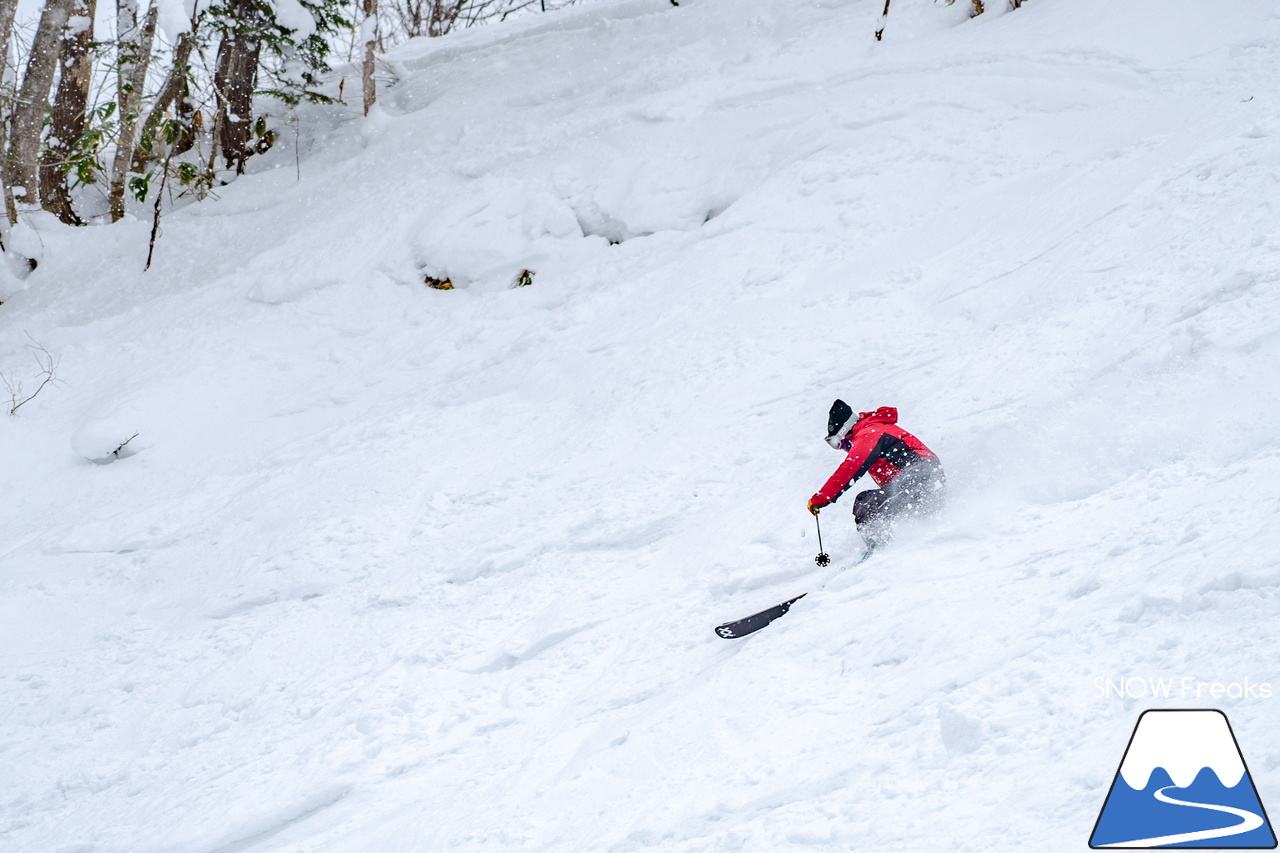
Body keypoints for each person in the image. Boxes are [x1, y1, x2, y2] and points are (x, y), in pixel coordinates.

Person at [807, 401, 945, 549]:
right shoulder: (872, 429)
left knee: (867, 504)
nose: (841, 449)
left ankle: (880, 548)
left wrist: (821, 498)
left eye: (837, 443)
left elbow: (850, 468)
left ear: (845, 432)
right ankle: (911, 541)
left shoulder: (868, 432)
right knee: (887, 505)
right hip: (922, 476)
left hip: (918, 474)